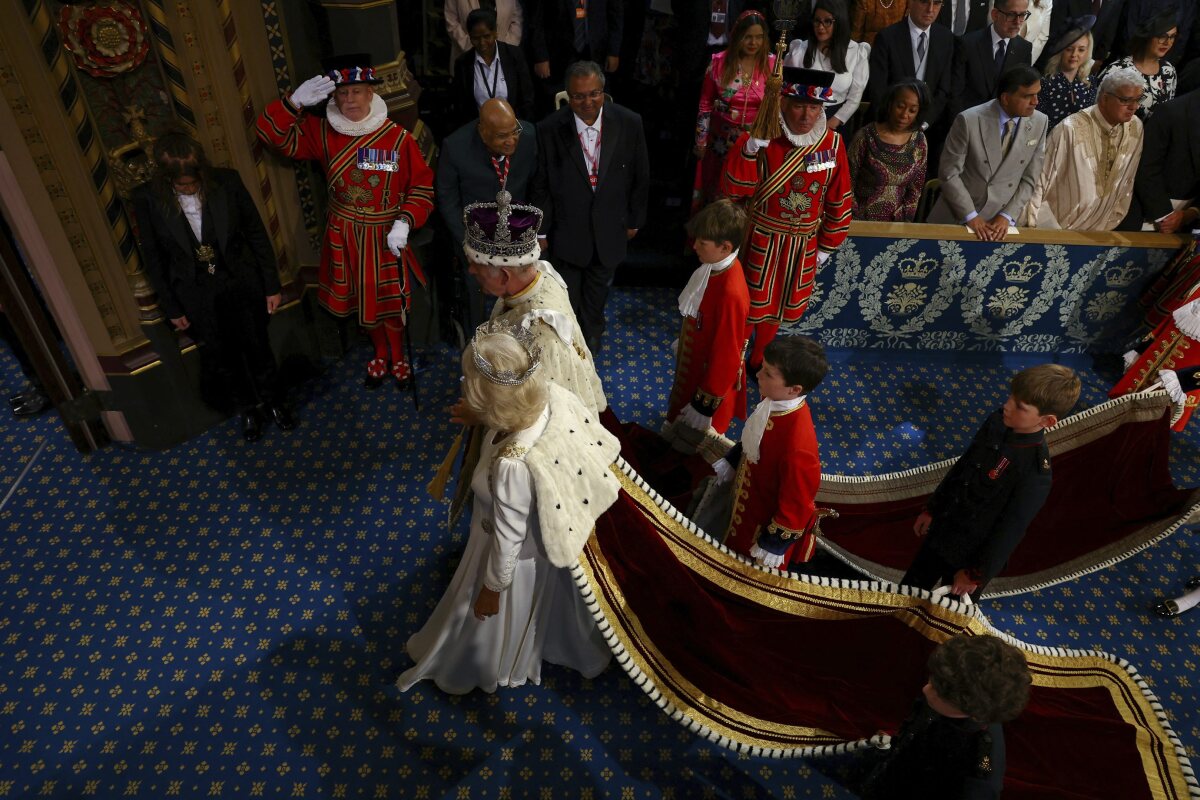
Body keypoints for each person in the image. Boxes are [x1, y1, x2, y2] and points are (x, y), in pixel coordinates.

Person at [397, 322, 616, 695]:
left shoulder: (512, 465)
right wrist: (478, 418)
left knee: (480, 623)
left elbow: (508, 539)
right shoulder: (547, 395)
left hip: (505, 558)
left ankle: (480, 667)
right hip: (529, 540)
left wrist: (492, 589)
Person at [256, 54, 434, 390]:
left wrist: (406, 221)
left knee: (390, 304)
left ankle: (398, 356)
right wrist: (292, 103)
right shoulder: (321, 132)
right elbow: (270, 134)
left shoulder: (399, 139)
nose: (350, 99)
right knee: (363, 303)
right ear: (333, 97)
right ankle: (380, 354)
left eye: (357, 91)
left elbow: (422, 188)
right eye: (343, 93)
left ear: (370, 93)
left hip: (386, 235)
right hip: (346, 235)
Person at [131, 132, 295, 442]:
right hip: (196, 293)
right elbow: (153, 258)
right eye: (182, 185)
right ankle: (248, 409)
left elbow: (257, 235)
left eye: (193, 181)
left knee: (259, 348)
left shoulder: (227, 182)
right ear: (167, 179)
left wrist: (271, 286)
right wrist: (172, 306)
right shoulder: (147, 198)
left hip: (241, 282)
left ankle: (275, 402)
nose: (190, 188)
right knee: (223, 357)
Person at [900, 364, 1081, 599]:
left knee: (945, 617)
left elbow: (1010, 531)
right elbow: (964, 467)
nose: (1007, 406)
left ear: (1047, 421)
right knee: (906, 592)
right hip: (943, 531)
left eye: (1019, 406)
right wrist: (932, 509)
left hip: (968, 559)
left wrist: (976, 573)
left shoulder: (1035, 472)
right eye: (1011, 397)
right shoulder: (997, 422)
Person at [719, 66, 853, 371]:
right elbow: (733, 189)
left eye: (814, 107)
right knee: (748, 307)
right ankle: (731, 362)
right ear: (782, 103)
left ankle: (757, 361)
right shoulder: (763, 137)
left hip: (802, 244)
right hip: (760, 239)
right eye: (798, 106)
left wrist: (826, 246)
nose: (806, 115)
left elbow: (839, 198)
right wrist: (749, 152)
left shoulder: (832, 144)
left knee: (778, 309)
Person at [531, 61, 649, 354]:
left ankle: (592, 334)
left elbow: (640, 174)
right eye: (579, 96)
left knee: (598, 292)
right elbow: (541, 183)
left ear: (603, 91)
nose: (587, 102)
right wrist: (541, 231)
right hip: (567, 230)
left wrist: (635, 219)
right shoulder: (548, 129)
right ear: (568, 96)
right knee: (567, 293)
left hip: (611, 226)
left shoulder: (629, 122)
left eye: (594, 94)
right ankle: (567, 340)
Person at [463, 194, 607, 416]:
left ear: (504, 275)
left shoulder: (541, 334)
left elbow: (538, 413)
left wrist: (480, 414)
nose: (471, 270)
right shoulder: (539, 275)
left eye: (477, 265)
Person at [859, 634, 1032, 799]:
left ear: (971, 711)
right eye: (932, 680)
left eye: (938, 692)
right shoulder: (950, 687)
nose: (926, 689)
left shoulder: (977, 781)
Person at [710, 335, 827, 569]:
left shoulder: (798, 445)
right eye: (762, 368)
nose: (758, 376)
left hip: (758, 532)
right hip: (746, 506)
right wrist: (734, 459)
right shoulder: (775, 399)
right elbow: (755, 436)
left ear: (794, 389)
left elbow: (798, 504)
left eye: (768, 373)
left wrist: (772, 545)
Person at [437, 99, 538, 333]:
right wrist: (467, 241)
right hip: (476, 238)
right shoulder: (455, 146)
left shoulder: (530, 135)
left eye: (515, 132)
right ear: (483, 133)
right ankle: (480, 348)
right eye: (502, 136)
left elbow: (538, 184)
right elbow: (447, 199)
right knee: (477, 296)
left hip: (518, 233)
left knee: (524, 294)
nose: (512, 140)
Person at [928, 65, 1049, 241]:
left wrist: (1007, 216)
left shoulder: (1040, 121)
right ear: (1006, 98)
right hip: (957, 219)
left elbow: (1030, 179)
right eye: (1027, 96)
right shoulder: (969, 120)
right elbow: (949, 174)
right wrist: (971, 217)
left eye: (1037, 94)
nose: (1035, 102)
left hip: (999, 227)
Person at [667, 199, 751, 436]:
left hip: (707, 382)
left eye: (702, 243)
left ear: (725, 247)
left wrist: (704, 404)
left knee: (695, 444)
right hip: (695, 366)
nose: (694, 247)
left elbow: (727, 354)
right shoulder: (712, 267)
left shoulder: (731, 293)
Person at [1022, 66, 1144, 229]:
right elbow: (1041, 179)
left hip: (1101, 229)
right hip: (1057, 228)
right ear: (1104, 98)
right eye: (1125, 100)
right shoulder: (1070, 128)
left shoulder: (1135, 127)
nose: (1134, 107)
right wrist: (1032, 227)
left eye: (1138, 100)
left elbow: (1127, 181)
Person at [692, 10, 776, 212]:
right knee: (715, 193)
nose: (753, 43)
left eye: (759, 37)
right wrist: (700, 141)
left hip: (754, 143)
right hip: (720, 140)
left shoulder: (773, 64)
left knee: (744, 197)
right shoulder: (719, 62)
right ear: (737, 35)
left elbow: (776, 108)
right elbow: (705, 104)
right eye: (748, 37)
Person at [866, 0, 958, 163]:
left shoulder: (946, 38)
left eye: (936, 3)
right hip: (888, 129)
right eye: (924, 2)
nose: (930, 9)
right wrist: (896, 123)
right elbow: (877, 88)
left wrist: (924, 123)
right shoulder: (887, 37)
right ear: (911, 2)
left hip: (928, 131)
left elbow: (944, 89)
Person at [1110, 280, 1200, 432]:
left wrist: (1184, 381)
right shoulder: (1198, 288)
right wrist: (1141, 350)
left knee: (1147, 428)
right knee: (1117, 412)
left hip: (1177, 384)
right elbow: (1167, 323)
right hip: (1149, 366)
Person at [786, 0, 873, 139]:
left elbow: (855, 97)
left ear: (839, 22)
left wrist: (833, 122)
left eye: (827, 22)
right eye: (817, 21)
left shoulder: (856, 51)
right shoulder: (800, 49)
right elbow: (787, 90)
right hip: (802, 119)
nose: (820, 27)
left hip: (836, 121)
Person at [847, 79, 930, 221]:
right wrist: (855, 217)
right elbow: (847, 182)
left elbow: (915, 189)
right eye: (900, 106)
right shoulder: (865, 137)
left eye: (912, 110)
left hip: (897, 222)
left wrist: (905, 220)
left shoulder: (919, 141)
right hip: (859, 220)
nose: (904, 115)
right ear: (890, 104)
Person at [1122, 87, 1200, 232]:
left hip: (1192, 222)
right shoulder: (1171, 111)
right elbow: (1145, 166)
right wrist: (1165, 216)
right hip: (1148, 213)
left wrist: (1192, 213)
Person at [527, 0, 623, 109]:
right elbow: (536, 20)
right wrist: (540, 56)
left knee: (595, 100)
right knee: (557, 104)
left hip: (596, 52)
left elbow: (615, 16)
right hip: (558, 55)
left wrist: (613, 51)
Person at [451, 8, 535, 127]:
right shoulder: (463, 64)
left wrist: (516, 128)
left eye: (486, 36)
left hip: (513, 129)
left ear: (495, 32)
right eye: (476, 38)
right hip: (479, 131)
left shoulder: (514, 56)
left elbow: (527, 99)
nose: (482, 42)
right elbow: (461, 106)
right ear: (469, 36)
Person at [1095, 9, 1177, 119]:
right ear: (1148, 35)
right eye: (1162, 36)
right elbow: (1095, 111)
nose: (1167, 42)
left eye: (1172, 37)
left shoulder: (1169, 71)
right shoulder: (1117, 70)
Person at [954, 0, 1034, 113]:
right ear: (995, 14)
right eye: (1011, 15)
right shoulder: (967, 44)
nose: (1017, 22)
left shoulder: (1024, 49)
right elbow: (955, 94)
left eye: (1022, 15)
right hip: (967, 121)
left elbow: (1020, 94)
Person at [1036, 14, 1097, 129]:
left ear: (1088, 51)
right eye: (1069, 49)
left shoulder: (1090, 82)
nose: (1074, 55)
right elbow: (1039, 124)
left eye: (1081, 50)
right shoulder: (1045, 83)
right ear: (1061, 51)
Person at [1041, 0, 1122, 70]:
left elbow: (1107, 37)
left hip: (1087, 69)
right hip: (1056, 63)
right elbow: (1055, 32)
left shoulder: (1114, 3)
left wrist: (1093, 62)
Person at [445, 0, 523, 71]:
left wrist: (504, 49)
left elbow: (516, 19)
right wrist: (475, 49)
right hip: (467, 61)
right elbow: (452, 23)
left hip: (503, 61)